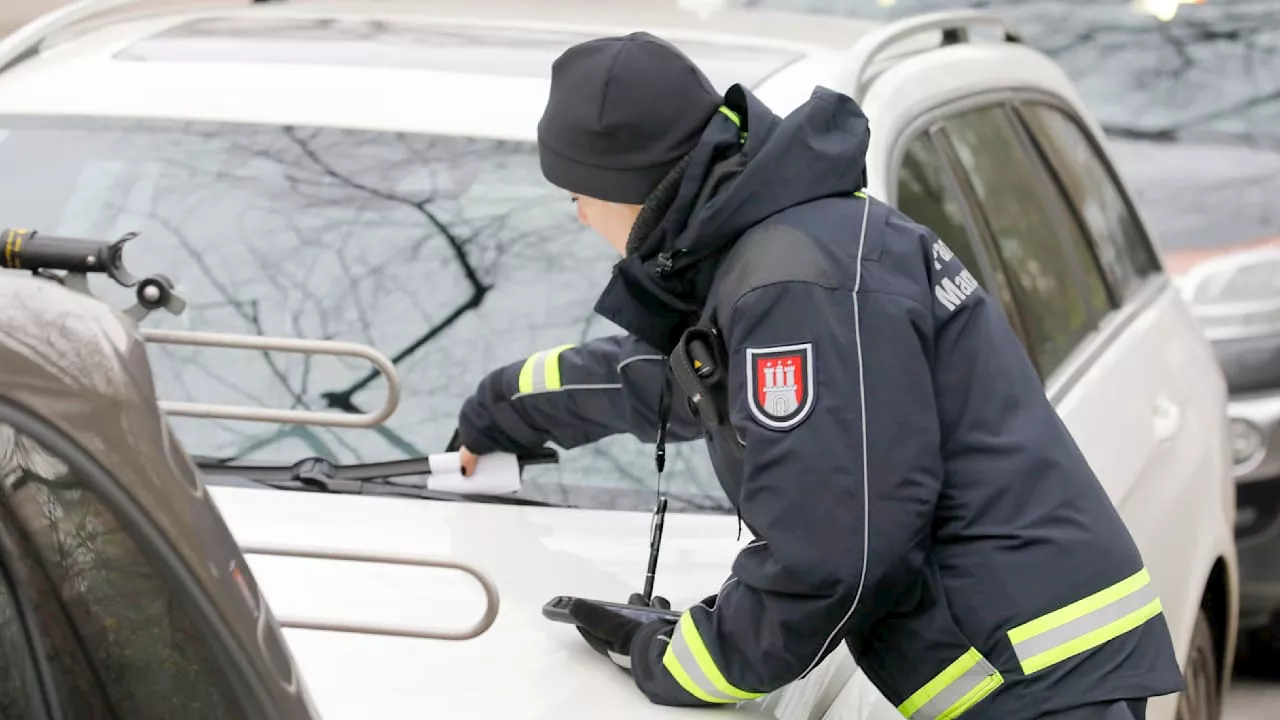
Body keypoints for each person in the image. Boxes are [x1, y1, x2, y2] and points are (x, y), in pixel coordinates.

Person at [454, 30, 1185, 720]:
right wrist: (508, 406)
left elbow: (831, 548)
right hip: (1034, 658)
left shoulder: (794, 282)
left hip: (1030, 680)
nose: (579, 215)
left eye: (575, 191)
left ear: (628, 183)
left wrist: (683, 657)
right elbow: (698, 380)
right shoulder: (786, 244)